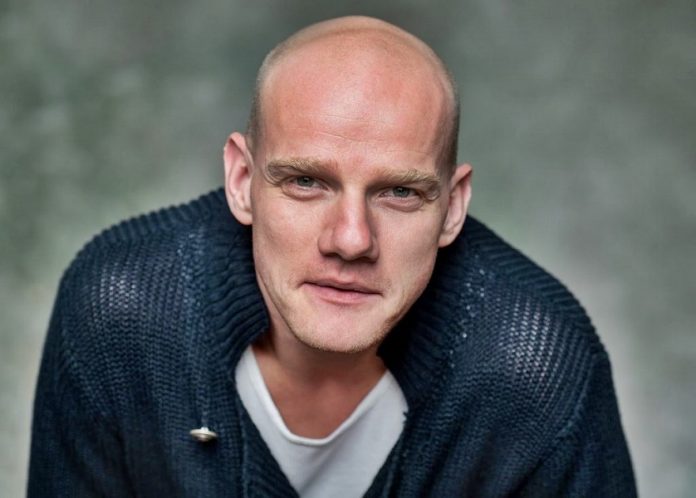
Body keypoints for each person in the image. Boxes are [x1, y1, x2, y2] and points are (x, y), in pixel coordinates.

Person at [28, 16, 636, 497]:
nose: (350, 240)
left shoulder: (539, 365)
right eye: (306, 182)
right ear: (242, 181)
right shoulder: (120, 309)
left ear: (452, 208)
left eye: (400, 193)